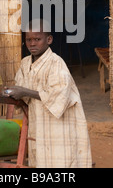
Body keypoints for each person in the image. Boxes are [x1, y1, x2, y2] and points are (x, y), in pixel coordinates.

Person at [6, 19, 92, 168]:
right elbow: (21, 90)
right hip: (38, 122)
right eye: (28, 40)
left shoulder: (56, 63)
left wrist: (23, 91)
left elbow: (57, 95)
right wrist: (12, 92)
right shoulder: (25, 63)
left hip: (58, 124)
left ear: (49, 39)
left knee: (60, 159)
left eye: (37, 39)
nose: (32, 43)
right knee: (40, 159)